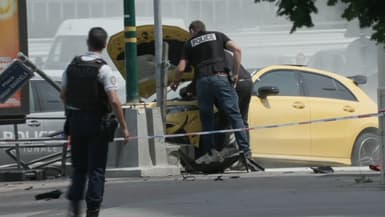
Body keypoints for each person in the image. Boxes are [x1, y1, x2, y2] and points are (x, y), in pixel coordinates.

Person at [60, 27, 130, 217]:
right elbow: (114, 100)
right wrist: (124, 127)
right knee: (96, 169)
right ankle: (93, 210)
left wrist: (74, 109)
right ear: (105, 44)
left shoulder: (71, 66)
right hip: (97, 123)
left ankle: (74, 208)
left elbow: (63, 94)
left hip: (76, 123)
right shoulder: (103, 69)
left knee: (79, 168)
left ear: (87, 42)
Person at [170, 20, 251, 159]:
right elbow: (237, 49)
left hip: (202, 82)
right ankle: (246, 151)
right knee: (234, 115)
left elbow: (181, 68)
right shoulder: (217, 35)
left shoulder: (189, 44)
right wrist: (236, 73)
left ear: (191, 31)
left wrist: (175, 82)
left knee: (207, 120)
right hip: (220, 78)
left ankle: (208, 153)